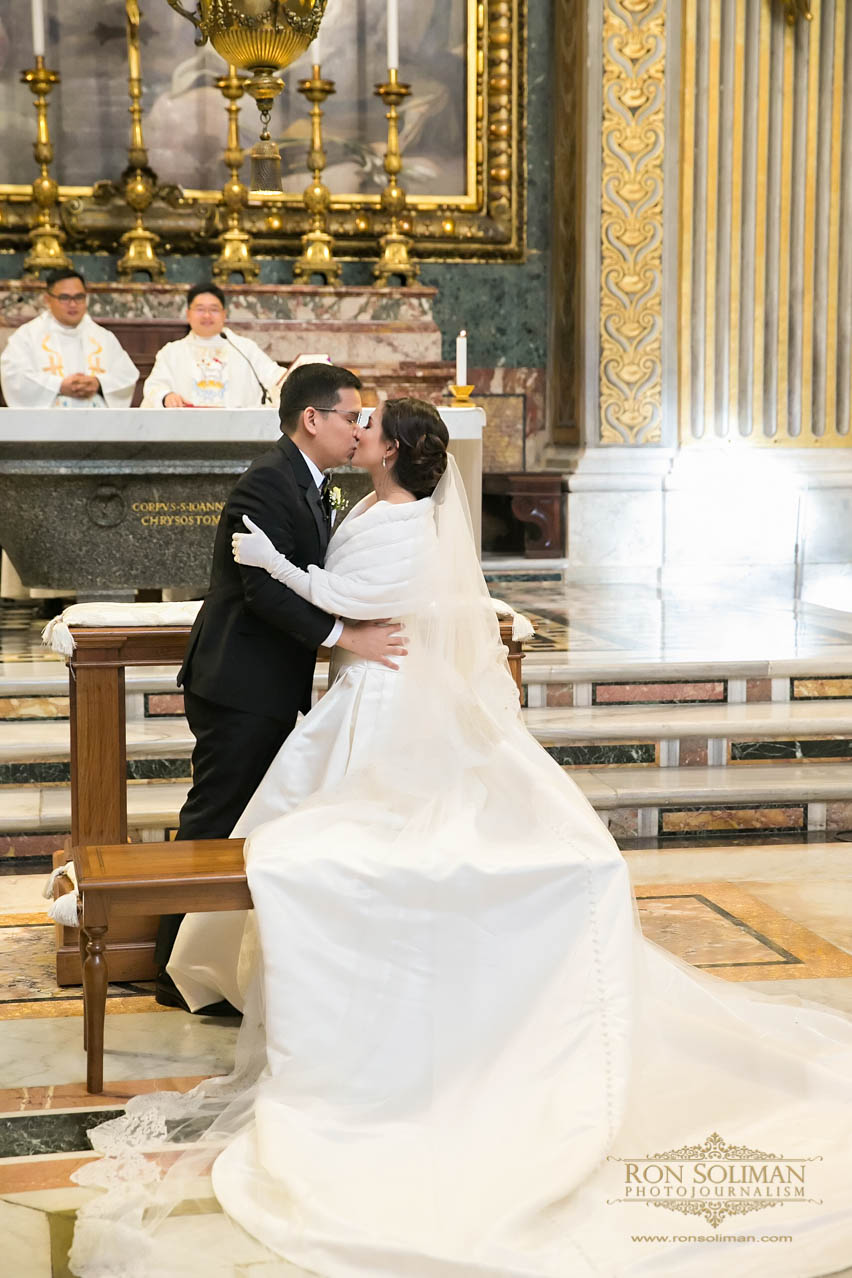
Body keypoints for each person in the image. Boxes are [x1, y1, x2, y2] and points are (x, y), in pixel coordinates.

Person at [71, 400, 852, 1278]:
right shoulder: (369, 503)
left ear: (396, 448)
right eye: (353, 416)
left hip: (386, 698)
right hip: (353, 691)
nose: (359, 428)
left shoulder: (405, 526)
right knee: (290, 838)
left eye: (371, 424)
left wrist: (277, 566)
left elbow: (354, 599)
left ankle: (378, 1008)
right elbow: (345, 594)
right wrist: (290, 574)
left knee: (353, 846)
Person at [153, 365, 407, 1010]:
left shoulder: (313, 482)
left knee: (244, 820)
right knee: (215, 818)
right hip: (240, 681)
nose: (358, 429)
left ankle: (208, 961)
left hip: (266, 682)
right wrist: (347, 637)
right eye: (351, 416)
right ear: (312, 419)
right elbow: (263, 588)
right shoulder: (267, 483)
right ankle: (168, 968)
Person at [0, 268, 139, 409]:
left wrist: (98, 383)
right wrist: (58, 386)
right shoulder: (27, 336)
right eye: (65, 298)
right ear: (47, 299)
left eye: (79, 297)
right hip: (47, 425)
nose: (73, 304)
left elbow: (127, 375)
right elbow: (14, 376)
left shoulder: (103, 337)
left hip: (97, 424)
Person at [141, 283, 285, 408]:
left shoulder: (245, 349)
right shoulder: (171, 352)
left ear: (224, 314)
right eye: (200, 309)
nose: (207, 316)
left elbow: (275, 378)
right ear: (188, 314)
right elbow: (154, 386)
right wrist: (167, 396)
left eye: (214, 309)